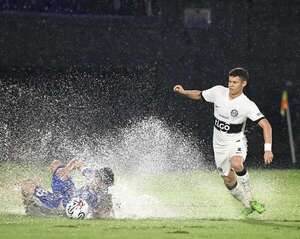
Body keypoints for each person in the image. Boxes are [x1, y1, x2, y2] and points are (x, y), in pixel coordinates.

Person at [173, 67, 273, 215]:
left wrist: (268, 149)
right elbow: (199, 95)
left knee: (237, 163)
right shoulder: (218, 92)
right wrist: (183, 92)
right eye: (230, 81)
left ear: (243, 84)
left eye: (235, 82)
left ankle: (251, 199)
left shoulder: (247, 104)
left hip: (236, 141)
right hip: (219, 146)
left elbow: (266, 125)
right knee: (229, 182)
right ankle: (247, 205)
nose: (231, 85)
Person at [21, 159, 114, 218]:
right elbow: (77, 162)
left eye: (105, 185)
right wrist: (68, 169)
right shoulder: (91, 174)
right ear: (97, 177)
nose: (102, 186)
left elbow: (101, 213)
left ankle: (33, 204)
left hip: (60, 203)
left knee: (30, 187)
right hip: (65, 194)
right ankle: (29, 202)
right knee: (27, 186)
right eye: (101, 182)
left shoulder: (102, 196)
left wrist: (97, 213)